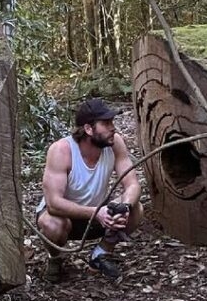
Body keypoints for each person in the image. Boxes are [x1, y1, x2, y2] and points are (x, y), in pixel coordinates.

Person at [36, 97, 142, 282]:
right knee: (52, 224)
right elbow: (53, 204)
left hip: (97, 214)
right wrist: (96, 213)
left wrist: (124, 207)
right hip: (67, 217)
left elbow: (132, 184)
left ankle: (100, 254)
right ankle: (56, 258)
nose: (113, 128)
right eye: (106, 123)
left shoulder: (115, 142)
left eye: (112, 122)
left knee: (136, 209)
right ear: (88, 129)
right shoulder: (61, 150)